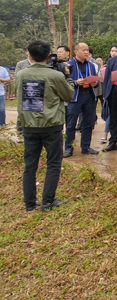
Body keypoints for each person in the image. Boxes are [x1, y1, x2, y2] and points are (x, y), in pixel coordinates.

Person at [16, 40, 74, 212]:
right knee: (54, 163)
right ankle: (48, 201)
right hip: (51, 125)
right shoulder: (55, 76)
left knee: (30, 164)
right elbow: (68, 95)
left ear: (30, 55)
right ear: (49, 55)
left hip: (29, 126)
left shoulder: (21, 74)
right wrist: (68, 76)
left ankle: (29, 203)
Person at [63, 43, 100, 157]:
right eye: (83, 50)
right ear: (75, 51)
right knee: (71, 124)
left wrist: (95, 83)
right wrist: (75, 82)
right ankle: (68, 148)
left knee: (88, 123)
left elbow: (96, 82)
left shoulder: (92, 65)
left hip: (88, 95)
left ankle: (86, 147)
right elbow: (63, 82)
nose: (86, 52)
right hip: (75, 97)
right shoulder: (68, 65)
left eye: (87, 50)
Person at [14, 50, 32, 133]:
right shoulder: (21, 64)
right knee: (22, 113)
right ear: (26, 52)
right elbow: (17, 76)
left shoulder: (42, 63)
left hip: (37, 92)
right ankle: (20, 133)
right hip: (24, 91)